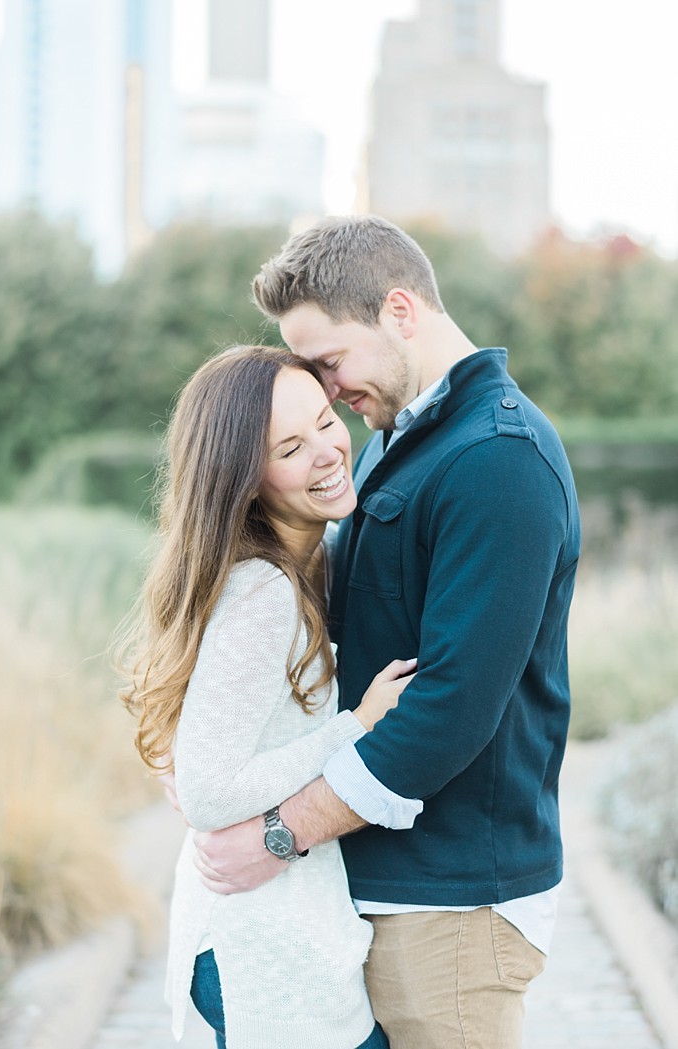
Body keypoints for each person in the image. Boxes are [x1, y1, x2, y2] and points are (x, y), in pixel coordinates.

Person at [190, 215, 582, 1049]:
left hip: (450, 904)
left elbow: (447, 707)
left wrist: (281, 831)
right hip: (379, 890)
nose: (326, 391)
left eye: (329, 361)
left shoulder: (497, 459)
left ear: (399, 310)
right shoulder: (394, 445)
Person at [119, 345, 416, 1049]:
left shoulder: (304, 562)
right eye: (290, 446)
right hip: (264, 956)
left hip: (284, 944)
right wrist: (356, 725)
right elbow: (211, 788)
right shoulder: (264, 593)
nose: (326, 451)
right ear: (246, 481)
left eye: (324, 420)